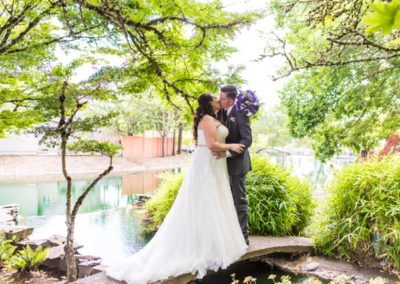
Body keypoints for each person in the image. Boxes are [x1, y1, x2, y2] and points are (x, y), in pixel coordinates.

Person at [106, 93, 248, 284]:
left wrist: (224, 150)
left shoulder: (215, 118)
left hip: (216, 164)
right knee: (204, 202)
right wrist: (231, 145)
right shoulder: (206, 119)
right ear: (209, 103)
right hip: (206, 164)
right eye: (215, 98)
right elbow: (212, 144)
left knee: (216, 202)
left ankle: (212, 245)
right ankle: (199, 248)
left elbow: (208, 143)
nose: (218, 100)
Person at [216, 85, 252, 245]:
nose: (219, 99)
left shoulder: (241, 113)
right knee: (225, 200)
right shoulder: (222, 111)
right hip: (222, 164)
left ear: (231, 100)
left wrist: (230, 152)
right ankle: (229, 237)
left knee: (239, 200)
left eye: (222, 98)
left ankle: (243, 239)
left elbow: (247, 139)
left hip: (237, 164)